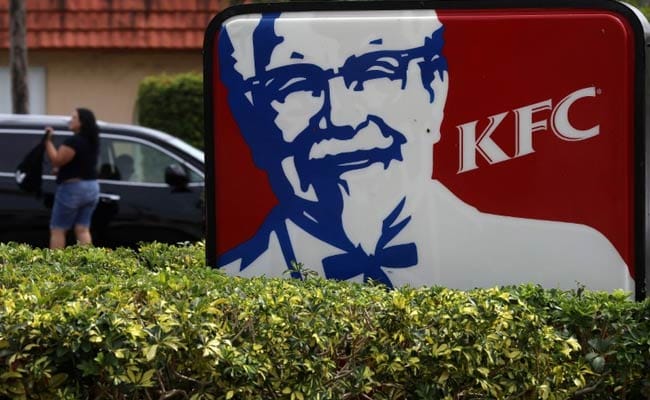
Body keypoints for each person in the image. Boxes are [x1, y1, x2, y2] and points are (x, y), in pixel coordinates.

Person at [216, 10, 635, 292]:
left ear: (435, 91)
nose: (342, 117)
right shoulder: (227, 292)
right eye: (293, 85)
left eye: (377, 71)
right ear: (251, 122)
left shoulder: (577, 261)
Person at [45, 108, 100, 249]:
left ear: (82, 122)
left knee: (58, 229)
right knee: (82, 229)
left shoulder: (74, 141)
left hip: (73, 188)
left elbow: (57, 160)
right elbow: (79, 163)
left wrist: (48, 141)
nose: (70, 120)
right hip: (92, 187)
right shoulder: (92, 141)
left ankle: (55, 266)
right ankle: (88, 263)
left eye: (74, 118)